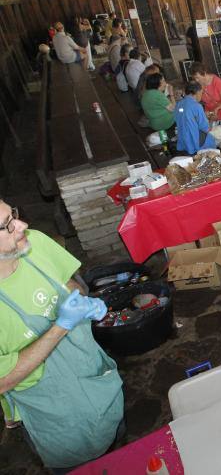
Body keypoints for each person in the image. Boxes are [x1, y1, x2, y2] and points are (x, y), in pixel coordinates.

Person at [0, 201, 123, 471]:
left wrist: (82, 302)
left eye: (14, 215)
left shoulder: (35, 243)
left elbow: (68, 283)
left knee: (120, 450)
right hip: (55, 412)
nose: (22, 226)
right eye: (7, 225)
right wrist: (61, 325)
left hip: (92, 372)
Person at [190, 63, 221, 143]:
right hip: (210, 114)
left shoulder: (216, 81)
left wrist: (217, 108)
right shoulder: (199, 84)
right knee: (215, 137)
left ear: (204, 73)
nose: (196, 80)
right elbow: (198, 100)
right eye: (194, 78)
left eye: (197, 77)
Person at [174, 81, 219, 154]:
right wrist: (211, 120)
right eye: (201, 93)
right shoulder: (197, 106)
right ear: (197, 92)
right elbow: (205, 128)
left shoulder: (179, 104)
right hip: (195, 142)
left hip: (183, 141)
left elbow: (183, 116)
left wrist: (202, 115)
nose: (201, 95)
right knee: (214, 136)